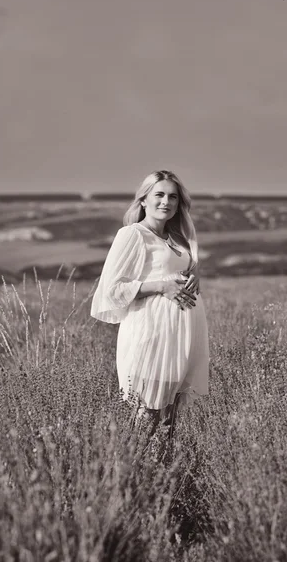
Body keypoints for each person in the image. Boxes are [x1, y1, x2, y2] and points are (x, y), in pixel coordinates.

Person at [90, 170, 209, 436]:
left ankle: (160, 473)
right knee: (148, 412)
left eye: (173, 197)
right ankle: (131, 471)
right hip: (151, 334)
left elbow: (175, 266)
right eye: (159, 195)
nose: (166, 202)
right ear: (143, 200)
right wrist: (162, 286)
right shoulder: (132, 235)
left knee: (171, 418)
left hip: (182, 336)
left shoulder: (177, 239)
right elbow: (111, 290)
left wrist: (194, 268)